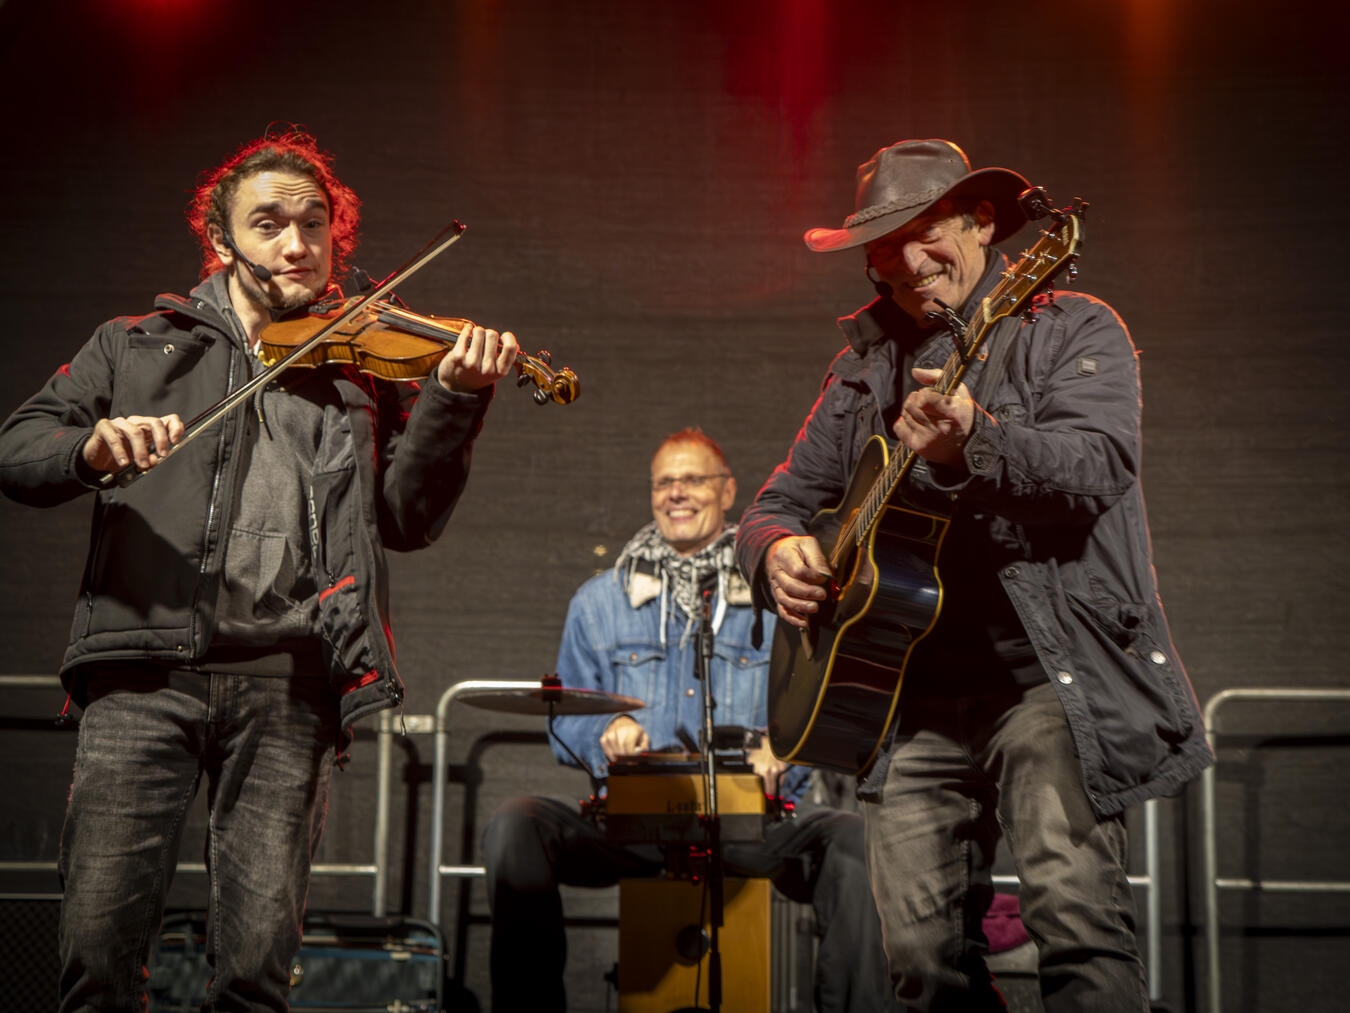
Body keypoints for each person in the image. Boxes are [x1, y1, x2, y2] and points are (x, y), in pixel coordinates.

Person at [0, 130, 519, 1012]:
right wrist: (90, 446)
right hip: (143, 677)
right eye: (270, 224)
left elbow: (405, 519)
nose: (296, 245)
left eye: (313, 226)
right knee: (97, 959)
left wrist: (454, 402)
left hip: (291, 684)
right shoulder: (136, 346)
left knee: (254, 973)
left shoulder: (360, 366)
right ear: (221, 238)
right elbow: (18, 449)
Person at [735, 139, 1214, 1011]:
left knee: (1077, 923)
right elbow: (776, 500)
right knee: (917, 958)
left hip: (1045, 684)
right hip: (906, 701)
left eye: (925, 233)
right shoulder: (860, 369)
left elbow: (1100, 464)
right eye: (884, 248)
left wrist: (975, 444)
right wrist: (772, 551)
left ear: (982, 223)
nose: (908, 263)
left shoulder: (1072, 327)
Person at [481, 428, 898, 1012]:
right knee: (515, 825)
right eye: (664, 482)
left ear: (728, 492)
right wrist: (601, 735)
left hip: (749, 824)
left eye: (693, 479)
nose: (676, 492)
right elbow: (564, 721)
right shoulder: (597, 603)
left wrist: (785, 751)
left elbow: (807, 707)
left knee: (852, 839)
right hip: (632, 826)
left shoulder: (781, 592)